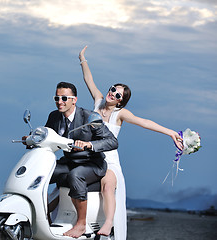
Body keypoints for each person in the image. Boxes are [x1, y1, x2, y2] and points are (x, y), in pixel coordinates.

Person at [78, 46, 183, 239]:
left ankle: (109, 224)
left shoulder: (121, 114)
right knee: (67, 182)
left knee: (108, 186)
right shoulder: (98, 102)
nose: (113, 94)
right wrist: (82, 59)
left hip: (108, 160)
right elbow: (88, 80)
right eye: (113, 90)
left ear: (120, 102)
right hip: (88, 155)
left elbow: (144, 122)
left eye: (118, 95)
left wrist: (171, 133)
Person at [45, 81, 118, 238]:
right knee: (42, 173)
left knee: (75, 176)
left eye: (64, 98)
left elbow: (112, 141)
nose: (60, 102)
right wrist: (32, 139)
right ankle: (44, 216)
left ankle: (81, 224)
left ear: (74, 100)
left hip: (92, 164)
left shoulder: (89, 117)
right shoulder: (54, 116)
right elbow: (47, 136)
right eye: (56, 98)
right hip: (69, 162)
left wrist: (89, 144)